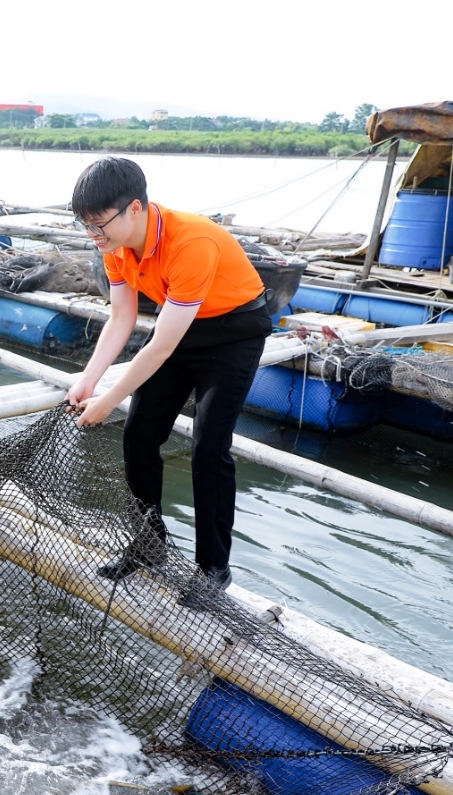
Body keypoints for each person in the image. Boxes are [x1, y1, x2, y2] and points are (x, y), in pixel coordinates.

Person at [65, 157, 270, 602]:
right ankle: (148, 545)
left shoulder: (191, 241)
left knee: (209, 445)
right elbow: (122, 317)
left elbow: (159, 347)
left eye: (100, 224)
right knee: (139, 434)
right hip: (180, 325)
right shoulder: (114, 245)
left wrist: (108, 401)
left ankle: (213, 568)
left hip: (234, 332)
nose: (93, 234)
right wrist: (88, 381)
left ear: (135, 208)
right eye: (86, 225)